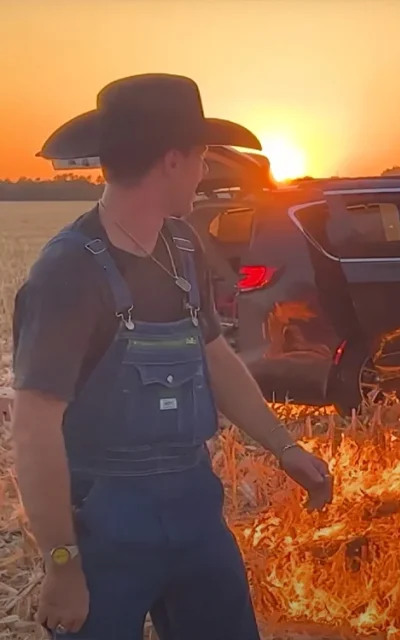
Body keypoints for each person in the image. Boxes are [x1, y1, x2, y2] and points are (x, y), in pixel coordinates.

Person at [11, 73, 333, 639]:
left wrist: (284, 447)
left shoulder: (183, 244)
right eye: (203, 157)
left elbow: (215, 357)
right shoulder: (69, 271)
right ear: (172, 160)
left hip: (194, 508)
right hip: (106, 523)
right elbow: (34, 427)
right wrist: (62, 564)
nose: (207, 170)